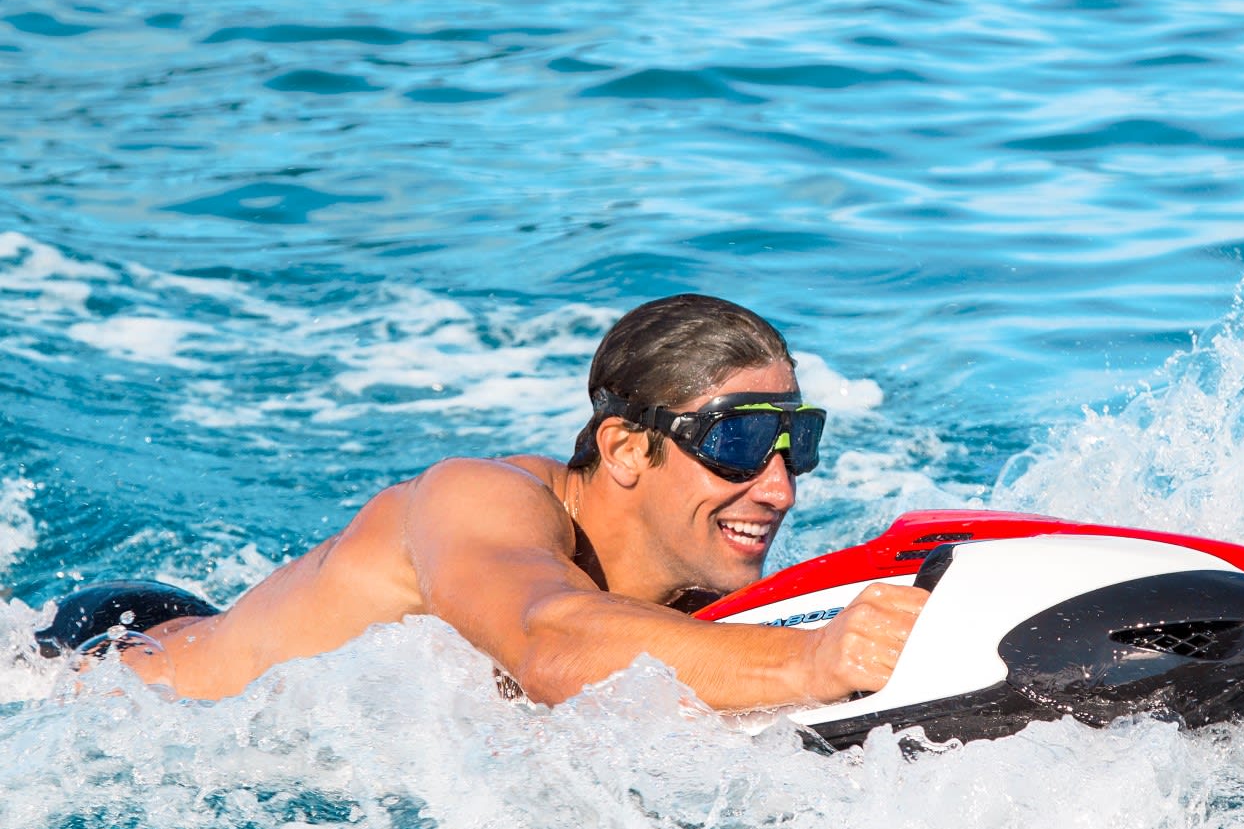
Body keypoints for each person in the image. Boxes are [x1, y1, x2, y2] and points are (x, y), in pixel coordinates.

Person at [34, 295, 929, 710]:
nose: (775, 487)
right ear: (624, 448)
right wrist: (807, 663)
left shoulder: (696, 608)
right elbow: (545, 642)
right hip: (107, 662)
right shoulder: (479, 499)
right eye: (735, 443)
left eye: (794, 443)